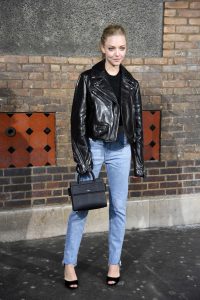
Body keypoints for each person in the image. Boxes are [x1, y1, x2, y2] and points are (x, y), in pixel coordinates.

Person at [63, 24, 144, 289]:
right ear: (102, 48)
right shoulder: (88, 78)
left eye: (121, 48)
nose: (117, 53)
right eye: (111, 48)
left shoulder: (132, 83)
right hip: (94, 147)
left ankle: (114, 262)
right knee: (82, 205)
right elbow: (78, 122)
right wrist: (83, 158)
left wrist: (138, 161)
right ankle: (69, 264)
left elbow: (138, 124)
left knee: (119, 208)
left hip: (122, 149)